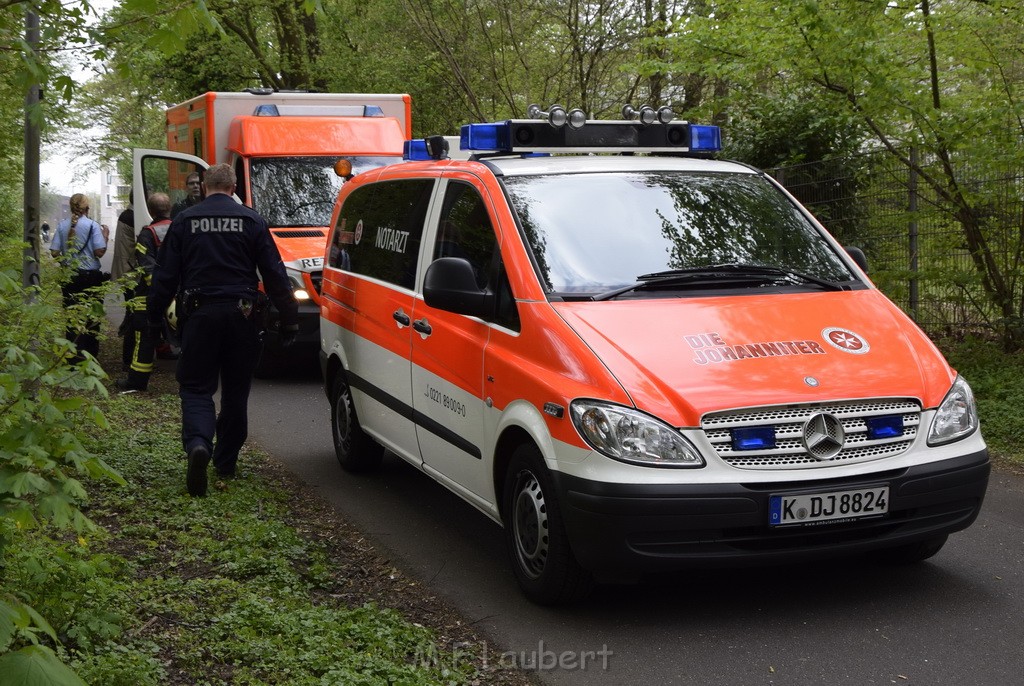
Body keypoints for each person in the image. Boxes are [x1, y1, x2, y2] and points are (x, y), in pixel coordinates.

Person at [147, 164, 298, 497]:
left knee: (197, 387)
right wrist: (289, 318)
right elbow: (275, 274)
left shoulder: (185, 221)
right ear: (232, 187)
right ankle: (226, 463)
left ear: (203, 186)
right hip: (243, 315)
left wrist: (154, 315)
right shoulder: (252, 220)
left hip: (200, 315)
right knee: (235, 391)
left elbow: (165, 275)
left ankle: (200, 444)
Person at [116, 193, 172, 392]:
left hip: (150, 296)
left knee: (144, 339)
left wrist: (160, 292)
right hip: (179, 295)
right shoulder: (179, 229)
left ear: (150, 209)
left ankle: (137, 382)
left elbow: (146, 268)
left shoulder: (147, 234)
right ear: (169, 208)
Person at [50, 193, 109, 361]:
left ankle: (74, 356)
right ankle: (89, 356)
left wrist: (67, 253)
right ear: (87, 208)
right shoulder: (93, 226)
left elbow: (54, 253)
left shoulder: (62, 226)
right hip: (90, 278)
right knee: (92, 317)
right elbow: (99, 252)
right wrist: (105, 235)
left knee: (71, 316)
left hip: (69, 277)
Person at [110, 195, 137, 368]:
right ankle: (129, 359)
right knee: (134, 315)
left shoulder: (126, 215)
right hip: (130, 273)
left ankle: (129, 356)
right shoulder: (132, 218)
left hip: (125, 271)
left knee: (131, 312)